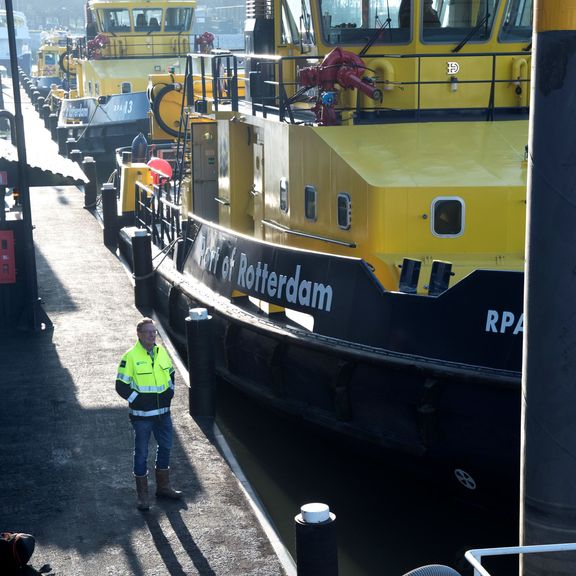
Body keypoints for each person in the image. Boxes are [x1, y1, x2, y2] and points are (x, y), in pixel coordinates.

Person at [116, 317, 182, 511]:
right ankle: (143, 496)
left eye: (154, 331)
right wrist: (139, 400)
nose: (153, 335)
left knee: (166, 447)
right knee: (142, 453)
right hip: (142, 417)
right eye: (148, 332)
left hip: (163, 414)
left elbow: (170, 373)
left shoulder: (161, 352)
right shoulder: (130, 357)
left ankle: (163, 487)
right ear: (139, 334)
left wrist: (170, 391)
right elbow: (121, 385)